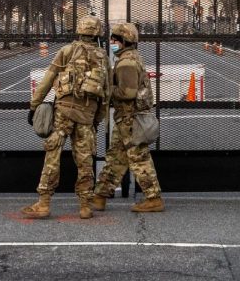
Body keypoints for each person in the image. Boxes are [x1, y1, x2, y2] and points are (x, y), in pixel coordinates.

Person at [21, 15, 110, 219]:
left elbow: (48, 79)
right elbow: (106, 94)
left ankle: (44, 202)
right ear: (97, 33)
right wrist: (97, 119)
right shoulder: (102, 56)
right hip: (87, 115)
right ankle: (85, 205)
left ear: (79, 31)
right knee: (85, 159)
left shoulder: (67, 51)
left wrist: (34, 106)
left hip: (63, 111)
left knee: (53, 154)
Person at [92, 22, 164, 213]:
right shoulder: (130, 58)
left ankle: (153, 198)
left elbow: (128, 92)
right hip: (127, 119)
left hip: (130, 119)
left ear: (124, 41)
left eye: (115, 39)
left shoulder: (126, 63)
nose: (112, 42)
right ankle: (100, 196)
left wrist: (106, 88)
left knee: (138, 158)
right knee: (116, 157)